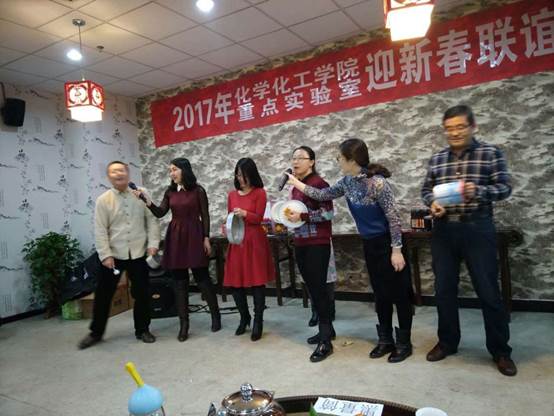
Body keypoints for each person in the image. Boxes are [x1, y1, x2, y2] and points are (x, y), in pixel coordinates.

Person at [287, 139, 414, 363]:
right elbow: (322, 195)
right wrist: (296, 183)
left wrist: (396, 250)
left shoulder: (378, 183)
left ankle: (404, 343)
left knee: (400, 294)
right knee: (380, 294)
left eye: (340, 158)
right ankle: (385, 340)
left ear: (352, 160)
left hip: (389, 243)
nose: (338, 161)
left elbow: (394, 218)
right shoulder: (347, 182)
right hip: (369, 243)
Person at [421, 104, 516, 376]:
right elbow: (426, 190)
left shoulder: (490, 153)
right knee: (444, 290)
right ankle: (447, 342)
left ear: (473, 127)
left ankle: (500, 351)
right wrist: (433, 204)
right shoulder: (438, 158)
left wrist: (479, 191)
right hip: (443, 230)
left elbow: (505, 188)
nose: (455, 133)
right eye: (449, 128)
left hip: (477, 227)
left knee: (488, 291)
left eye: (460, 127)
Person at [135, 158, 221, 342]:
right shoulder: (170, 192)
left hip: (195, 234)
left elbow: (205, 215)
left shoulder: (198, 190)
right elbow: (160, 212)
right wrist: (147, 201)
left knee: (202, 278)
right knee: (179, 282)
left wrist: (206, 238)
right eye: (170, 170)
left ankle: (216, 316)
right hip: (176, 237)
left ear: (184, 170)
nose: (171, 173)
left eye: (174, 169)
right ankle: (184, 324)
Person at [78, 161, 160, 349]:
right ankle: (96, 333)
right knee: (103, 295)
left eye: (121, 170)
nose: (118, 174)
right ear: (109, 177)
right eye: (114, 172)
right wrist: (105, 255)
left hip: (138, 253)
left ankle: (143, 329)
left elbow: (152, 220)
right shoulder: (103, 200)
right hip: (114, 255)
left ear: (128, 173)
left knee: (142, 293)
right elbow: (100, 230)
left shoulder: (141, 193)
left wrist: (153, 244)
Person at [284, 146, 335, 362]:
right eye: (293, 158)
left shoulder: (319, 184)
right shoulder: (296, 186)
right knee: (313, 289)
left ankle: (326, 342)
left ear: (312, 161)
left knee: (319, 290)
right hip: (301, 242)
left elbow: (328, 214)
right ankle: (327, 330)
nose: (295, 162)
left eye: (300, 158)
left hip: (317, 243)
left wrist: (303, 217)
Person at [224, 158, 275, 341]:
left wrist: (245, 214)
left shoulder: (260, 193)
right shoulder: (232, 195)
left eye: (244, 175)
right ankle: (244, 317)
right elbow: (230, 217)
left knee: (257, 283)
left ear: (252, 175)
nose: (241, 179)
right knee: (235, 283)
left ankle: (258, 320)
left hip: (254, 241)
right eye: (238, 175)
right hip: (237, 241)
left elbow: (259, 218)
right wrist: (226, 226)